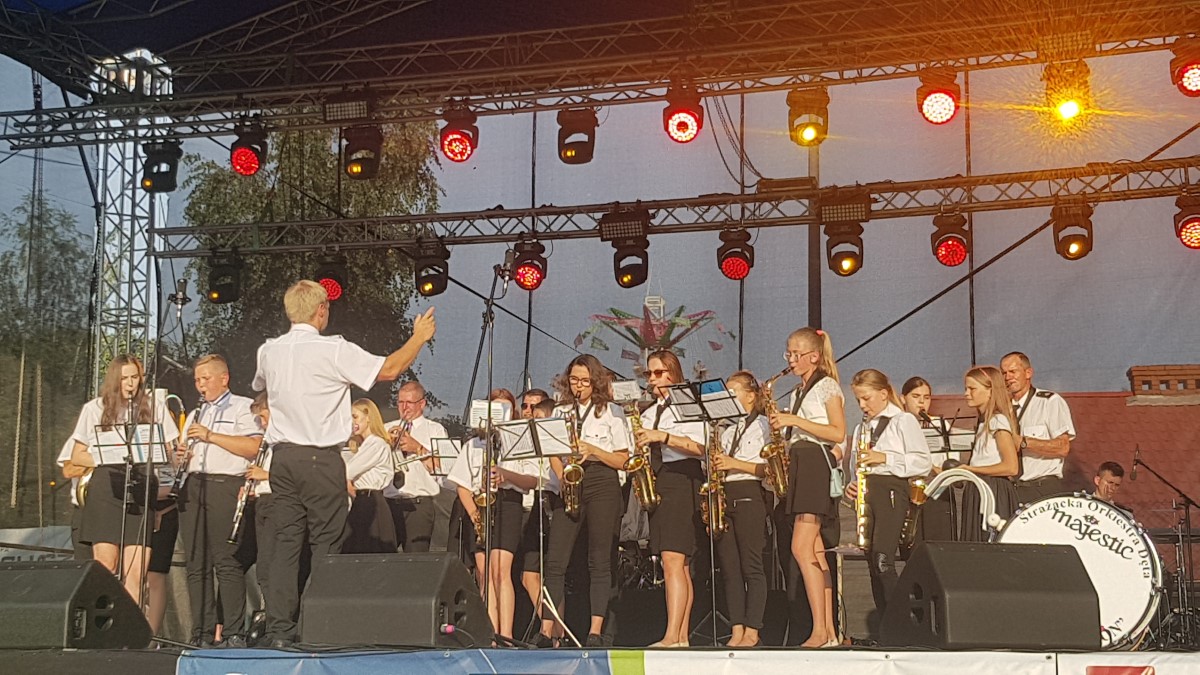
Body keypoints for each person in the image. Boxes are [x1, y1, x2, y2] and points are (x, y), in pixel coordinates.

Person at [253, 280, 436, 648]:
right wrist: (419, 337)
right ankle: (320, 626)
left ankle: (279, 631)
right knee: (327, 542)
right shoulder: (332, 349)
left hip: (282, 458)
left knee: (286, 542)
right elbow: (389, 369)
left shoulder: (268, 351)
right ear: (322, 310)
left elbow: (261, 385)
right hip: (319, 458)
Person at [68, 355, 179, 613]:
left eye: (135, 377)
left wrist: (177, 456)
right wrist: (108, 455)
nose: (130, 383)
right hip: (107, 487)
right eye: (124, 378)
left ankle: (132, 630)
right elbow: (76, 456)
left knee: (136, 570)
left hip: (141, 486)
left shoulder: (154, 406)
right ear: (114, 380)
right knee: (106, 565)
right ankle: (102, 623)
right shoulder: (95, 408)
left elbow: (171, 450)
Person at [540, 355, 631, 648]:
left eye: (584, 381)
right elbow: (552, 451)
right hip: (570, 481)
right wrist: (561, 477)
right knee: (555, 561)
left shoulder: (612, 412)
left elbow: (624, 460)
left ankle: (595, 631)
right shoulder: (561, 411)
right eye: (573, 380)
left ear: (596, 382)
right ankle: (546, 630)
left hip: (602, 480)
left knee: (599, 560)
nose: (578, 386)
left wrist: (593, 450)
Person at [176, 354, 263, 647]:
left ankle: (233, 632)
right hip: (194, 486)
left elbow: (254, 446)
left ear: (224, 378)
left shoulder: (242, 406)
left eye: (206, 379)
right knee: (196, 563)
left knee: (227, 562)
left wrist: (211, 436)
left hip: (225, 485)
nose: (201, 386)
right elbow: (185, 454)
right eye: (197, 380)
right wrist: (181, 455)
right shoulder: (195, 413)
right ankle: (200, 632)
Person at [770, 328, 845, 648]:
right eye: (788, 353)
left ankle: (820, 631)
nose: (790, 360)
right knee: (814, 552)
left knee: (801, 548)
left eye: (796, 354)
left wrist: (794, 421)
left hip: (815, 463)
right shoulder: (799, 390)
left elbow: (838, 432)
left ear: (814, 356)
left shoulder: (827, 385)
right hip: (801, 462)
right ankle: (827, 630)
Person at [447, 388, 537, 642]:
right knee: (484, 573)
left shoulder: (520, 440)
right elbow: (462, 484)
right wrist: (474, 514)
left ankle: (506, 634)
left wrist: (506, 475)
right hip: (481, 506)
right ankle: (490, 634)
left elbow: (532, 480)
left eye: (504, 409)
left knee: (501, 571)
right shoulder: (474, 443)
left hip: (509, 502)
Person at [634, 350, 707, 648]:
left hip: (682, 478)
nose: (652, 379)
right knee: (673, 563)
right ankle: (679, 636)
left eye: (658, 373)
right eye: (649, 374)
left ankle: (673, 635)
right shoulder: (649, 412)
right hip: (659, 480)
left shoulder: (687, 404)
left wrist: (662, 437)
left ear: (673, 373)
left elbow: (701, 447)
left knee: (675, 559)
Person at [847, 369, 932, 614]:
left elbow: (923, 462)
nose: (862, 405)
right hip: (869, 491)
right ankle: (885, 622)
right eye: (858, 400)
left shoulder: (902, 420)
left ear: (883, 394)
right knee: (872, 562)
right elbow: (855, 463)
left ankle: (901, 619)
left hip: (892, 490)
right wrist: (852, 483)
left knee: (883, 559)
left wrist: (885, 458)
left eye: (866, 398)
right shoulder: (862, 427)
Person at [711, 371, 770, 648]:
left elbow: (768, 469)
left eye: (733, 393)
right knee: (730, 569)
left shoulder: (764, 425)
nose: (728, 398)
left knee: (751, 566)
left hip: (749, 494)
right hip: (725, 495)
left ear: (750, 395)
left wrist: (733, 463)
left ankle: (753, 629)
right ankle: (736, 629)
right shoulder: (728, 429)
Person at [1000, 352, 1077, 505]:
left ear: (1028, 373)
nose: (1007, 377)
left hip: (1043, 488)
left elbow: (1063, 447)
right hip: (1010, 490)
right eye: (1004, 373)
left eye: (1013, 371)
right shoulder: (1001, 408)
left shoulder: (1049, 402)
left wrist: (1023, 442)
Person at [957, 365, 1020, 540]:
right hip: (979, 488)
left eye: (972, 389)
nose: (966, 394)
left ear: (990, 391)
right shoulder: (982, 423)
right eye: (966, 388)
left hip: (993, 490)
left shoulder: (998, 421)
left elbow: (1011, 467)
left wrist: (971, 470)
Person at [384, 381, 445, 552]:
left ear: (422, 404)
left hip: (419, 504)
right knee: (384, 558)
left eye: (409, 402)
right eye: (400, 402)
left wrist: (417, 447)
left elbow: (443, 468)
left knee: (415, 558)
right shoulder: (386, 428)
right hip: (389, 502)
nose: (404, 407)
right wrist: (386, 446)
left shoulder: (435, 430)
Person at [342, 399, 398, 553]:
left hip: (370, 501)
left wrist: (347, 480)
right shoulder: (364, 446)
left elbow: (347, 471)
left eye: (355, 417)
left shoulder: (376, 444)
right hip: (361, 501)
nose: (352, 422)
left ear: (368, 417)